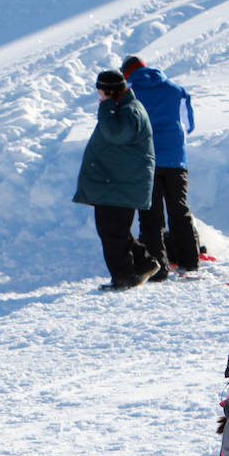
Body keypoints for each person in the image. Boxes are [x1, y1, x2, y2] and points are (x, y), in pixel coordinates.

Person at [72, 69, 158, 291]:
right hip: (117, 184)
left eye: (101, 93)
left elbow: (116, 135)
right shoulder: (124, 109)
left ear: (109, 92)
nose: (99, 98)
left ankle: (124, 277)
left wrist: (107, 105)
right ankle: (144, 262)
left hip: (120, 185)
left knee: (112, 232)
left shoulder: (128, 111)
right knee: (114, 231)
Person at [121, 56, 200, 278]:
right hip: (176, 160)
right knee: (179, 210)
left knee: (151, 216)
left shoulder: (130, 93)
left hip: (146, 160)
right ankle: (190, 262)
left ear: (126, 73)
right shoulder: (175, 89)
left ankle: (158, 268)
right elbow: (189, 125)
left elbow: (125, 129)